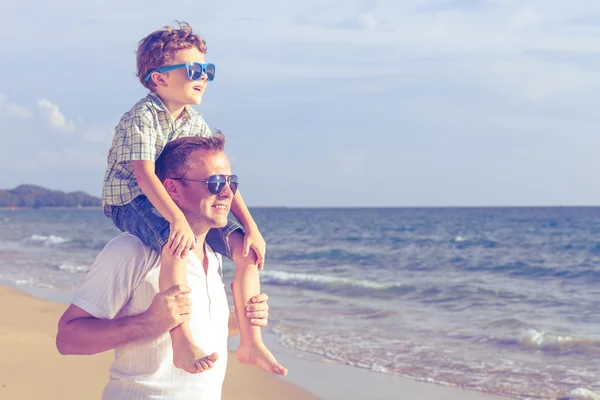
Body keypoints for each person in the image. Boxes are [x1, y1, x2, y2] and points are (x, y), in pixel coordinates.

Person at [101, 22, 283, 374]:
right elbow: (144, 174)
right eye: (194, 70)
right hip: (131, 199)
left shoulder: (194, 122)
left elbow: (221, 182)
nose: (204, 77)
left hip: (175, 200)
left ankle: (251, 342)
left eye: (207, 70)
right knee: (176, 243)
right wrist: (177, 220)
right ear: (159, 78)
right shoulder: (142, 117)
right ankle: (182, 340)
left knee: (245, 248)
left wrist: (252, 226)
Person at [56, 135, 287, 399]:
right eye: (214, 183)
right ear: (173, 189)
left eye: (230, 183)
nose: (226, 193)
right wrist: (147, 323)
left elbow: (199, 328)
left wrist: (243, 320)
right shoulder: (132, 251)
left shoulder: (214, 256)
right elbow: (67, 339)